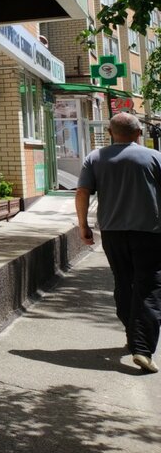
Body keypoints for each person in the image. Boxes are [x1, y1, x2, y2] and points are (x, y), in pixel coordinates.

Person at [76, 112, 161, 373]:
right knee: (149, 287)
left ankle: (132, 334)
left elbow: (82, 192)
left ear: (111, 133)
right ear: (139, 133)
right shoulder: (155, 157)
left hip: (112, 233)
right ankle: (142, 348)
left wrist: (83, 226)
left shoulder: (95, 158)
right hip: (149, 233)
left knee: (123, 283)